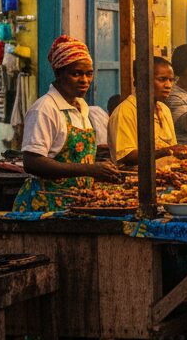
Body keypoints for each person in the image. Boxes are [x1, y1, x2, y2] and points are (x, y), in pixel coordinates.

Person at [15, 36, 122, 210]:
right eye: (76, 74)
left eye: (89, 73)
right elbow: (32, 162)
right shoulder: (45, 109)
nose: (84, 80)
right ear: (58, 73)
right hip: (46, 205)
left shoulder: (81, 107)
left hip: (75, 202)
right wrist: (89, 170)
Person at [109, 56, 179, 165]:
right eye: (162, 79)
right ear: (142, 81)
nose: (168, 85)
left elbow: (173, 148)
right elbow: (126, 156)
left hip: (166, 175)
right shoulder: (125, 111)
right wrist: (164, 152)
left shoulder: (164, 110)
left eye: (171, 80)